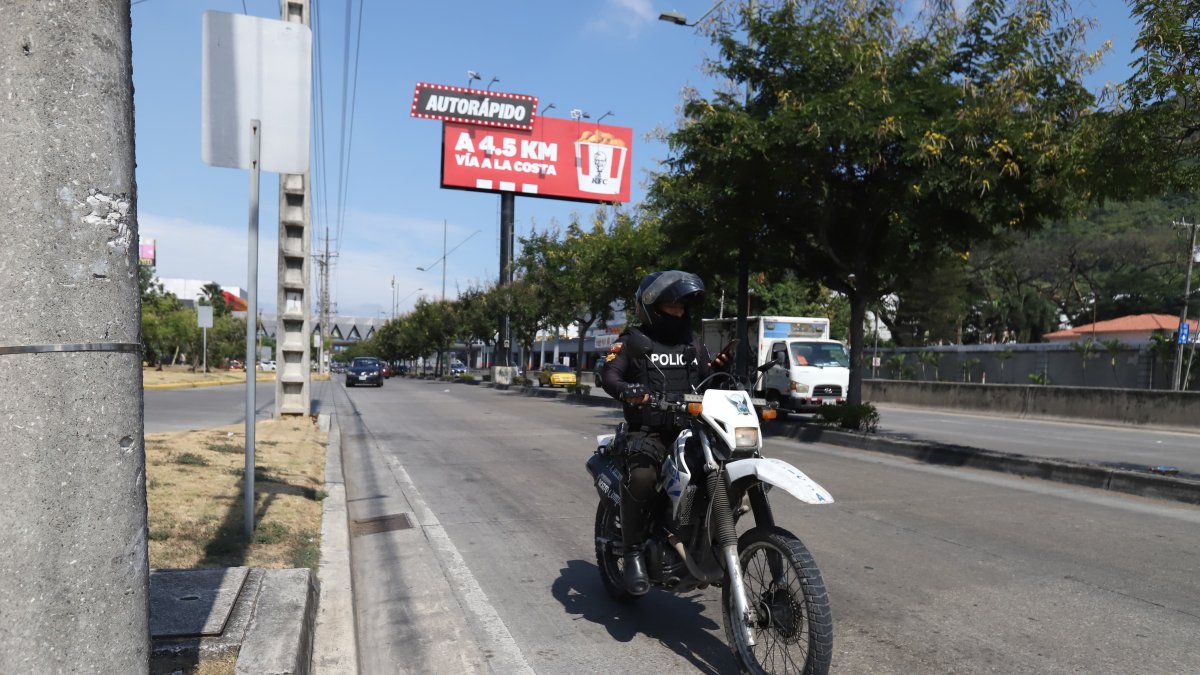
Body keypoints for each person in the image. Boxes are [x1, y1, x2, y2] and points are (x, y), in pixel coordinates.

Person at [600, 270, 730, 595]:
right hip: (648, 433)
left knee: (718, 473)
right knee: (643, 477)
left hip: (689, 431)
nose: (679, 312)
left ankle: (701, 540)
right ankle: (631, 553)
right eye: (672, 306)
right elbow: (609, 375)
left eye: (682, 307)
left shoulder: (692, 343)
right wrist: (628, 390)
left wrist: (720, 370)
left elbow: (704, 378)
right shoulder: (632, 341)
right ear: (651, 306)